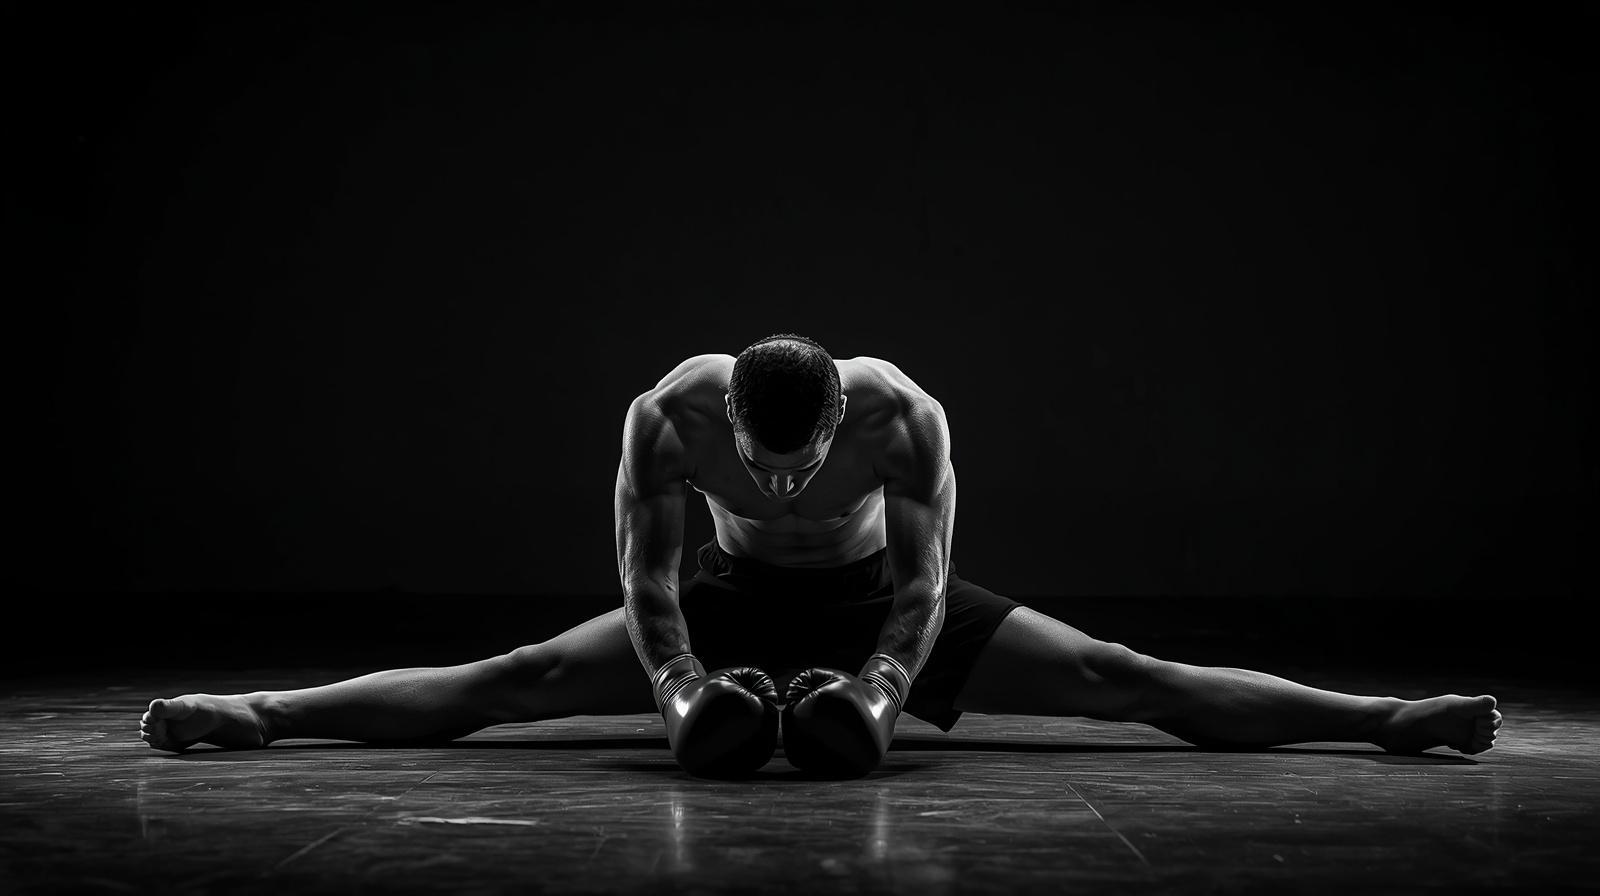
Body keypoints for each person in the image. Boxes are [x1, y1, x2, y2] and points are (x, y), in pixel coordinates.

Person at [140, 334, 1502, 776]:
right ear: (727, 415)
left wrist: (881, 697)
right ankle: (262, 712)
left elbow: (917, 590)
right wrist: (679, 695)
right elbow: (651, 582)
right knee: (513, 677)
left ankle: (1388, 719)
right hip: (730, 601)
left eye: (807, 462)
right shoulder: (665, 417)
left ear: (842, 419)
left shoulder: (904, 417)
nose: (784, 479)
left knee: (1120, 672)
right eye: (763, 462)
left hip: (865, 601)